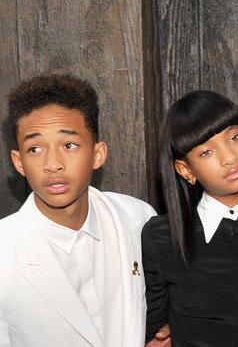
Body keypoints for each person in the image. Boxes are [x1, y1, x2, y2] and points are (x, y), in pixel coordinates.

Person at [0, 74, 158, 347]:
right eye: (35, 149)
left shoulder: (136, 219)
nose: (53, 164)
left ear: (98, 154)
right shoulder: (4, 251)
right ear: (19, 162)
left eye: (69, 145)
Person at [141, 90, 238, 346]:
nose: (230, 158)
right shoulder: (162, 237)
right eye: (206, 152)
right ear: (185, 169)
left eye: (234, 138)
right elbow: (154, 329)